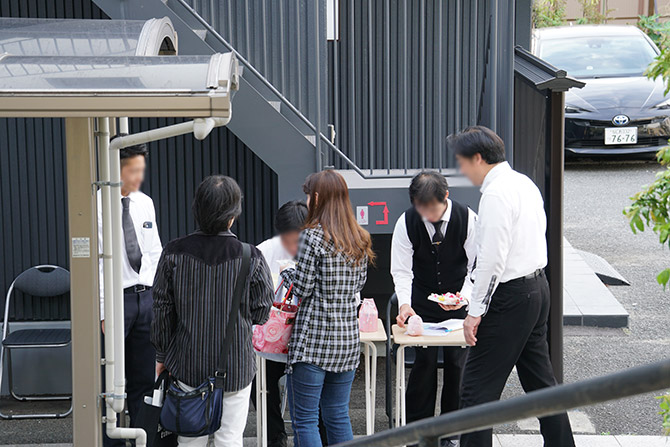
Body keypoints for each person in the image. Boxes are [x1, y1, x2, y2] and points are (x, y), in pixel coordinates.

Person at [449, 126, 575, 447]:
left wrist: (474, 312)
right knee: (542, 383)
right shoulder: (523, 183)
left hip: (509, 296)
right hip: (537, 288)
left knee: (477, 390)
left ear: (478, 158)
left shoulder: (494, 194)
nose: (461, 170)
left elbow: (492, 260)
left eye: (462, 162)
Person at [151, 175, 274, 447]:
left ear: (197, 208)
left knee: (189, 438)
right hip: (235, 365)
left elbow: (161, 310)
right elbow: (263, 310)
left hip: (186, 364)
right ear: (233, 214)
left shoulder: (173, 253)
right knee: (229, 439)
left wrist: (161, 354)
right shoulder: (250, 255)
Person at [285, 170, 374, 447]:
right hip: (347, 340)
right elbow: (358, 284)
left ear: (317, 197)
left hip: (314, 342)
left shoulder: (311, 237)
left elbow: (302, 289)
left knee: (306, 419)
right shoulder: (360, 238)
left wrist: (288, 273)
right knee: (337, 414)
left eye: (308, 195)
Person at [390, 171, 477, 445]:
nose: (427, 215)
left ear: (446, 197)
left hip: (460, 303)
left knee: (457, 364)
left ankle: (452, 432)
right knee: (423, 364)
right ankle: (418, 432)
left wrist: (463, 296)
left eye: (433, 209)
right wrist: (405, 305)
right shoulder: (406, 222)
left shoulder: (468, 219)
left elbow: (478, 266)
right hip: (420, 307)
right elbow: (402, 270)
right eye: (421, 208)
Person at [97, 139, 163, 447]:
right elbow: (95, 263)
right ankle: (110, 441)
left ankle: (142, 438)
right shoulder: (96, 203)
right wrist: (101, 311)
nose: (138, 177)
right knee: (110, 380)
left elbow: (154, 251)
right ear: (115, 168)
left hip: (146, 298)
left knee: (144, 378)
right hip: (114, 301)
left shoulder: (145, 202)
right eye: (131, 170)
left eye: (141, 170)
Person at [254, 200, 308, 447]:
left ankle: (313, 435)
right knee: (260, 382)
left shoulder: (319, 250)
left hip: (308, 340)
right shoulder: (265, 251)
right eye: (288, 239)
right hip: (272, 339)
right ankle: (275, 435)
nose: (294, 245)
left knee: (310, 389)